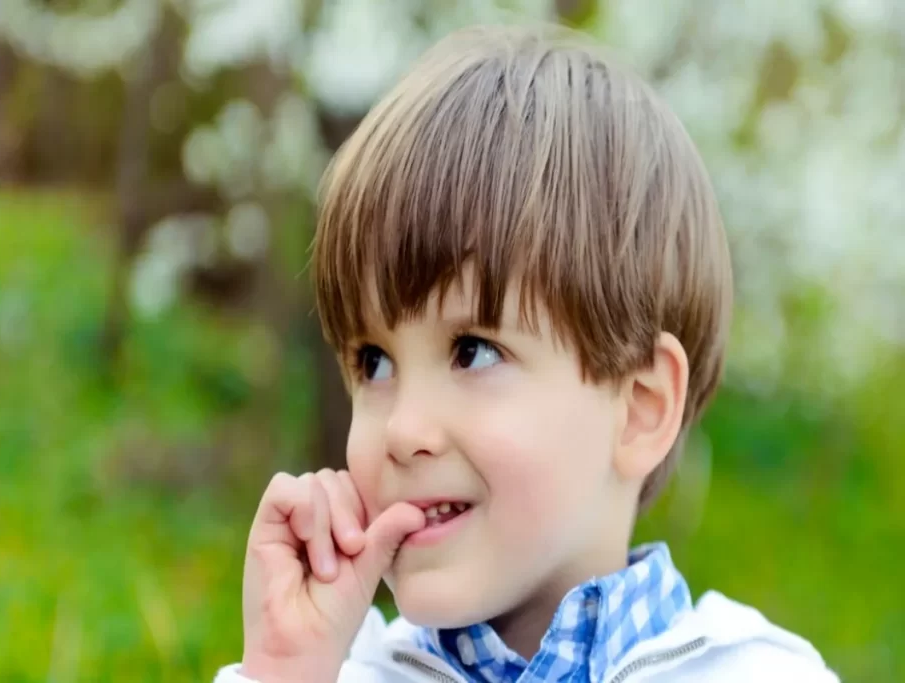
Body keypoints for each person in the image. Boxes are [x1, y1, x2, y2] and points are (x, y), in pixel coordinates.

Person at [215, 23, 839, 683]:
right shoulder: (343, 671)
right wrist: (284, 669)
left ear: (639, 409)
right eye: (375, 362)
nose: (402, 430)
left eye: (473, 351)